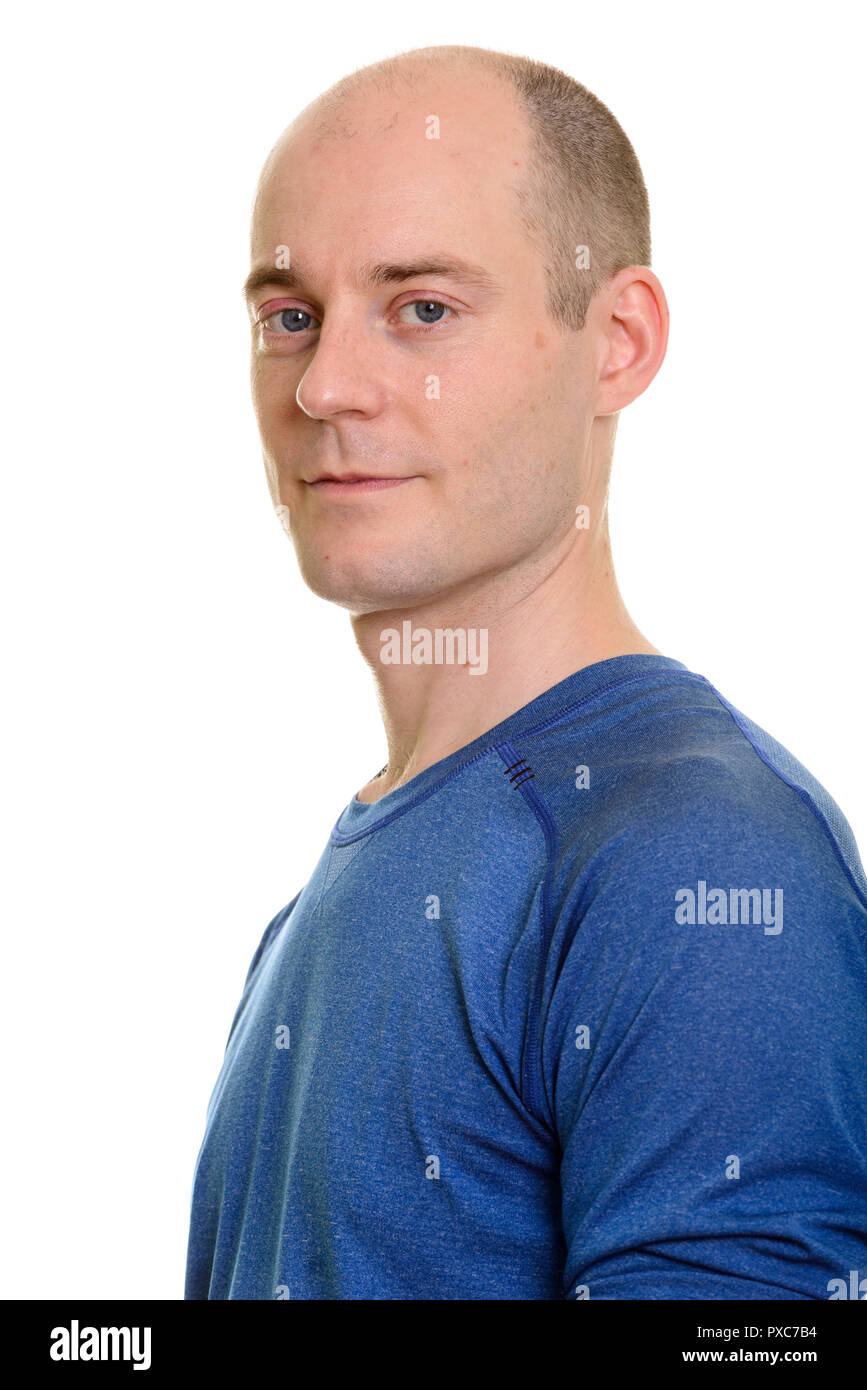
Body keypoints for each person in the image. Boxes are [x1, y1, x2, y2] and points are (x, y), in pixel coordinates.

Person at [184, 44, 867, 1300]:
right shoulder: (338, 889)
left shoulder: (697, 857)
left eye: (423, 308)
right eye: (290, 317)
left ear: (616, 341)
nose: (327, 387)